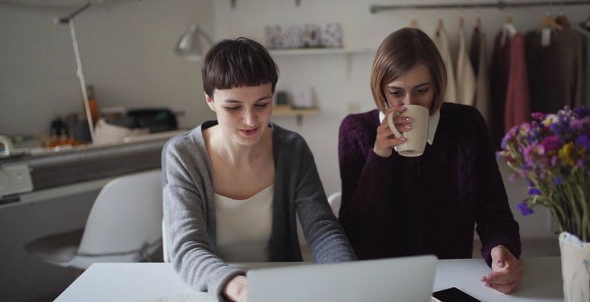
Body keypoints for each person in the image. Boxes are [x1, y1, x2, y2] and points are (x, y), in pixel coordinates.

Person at [162, 37, 356, 302]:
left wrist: (348, 279)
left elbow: (322, 229)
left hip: (281, 288)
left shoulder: (292, 149)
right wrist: (240, 287)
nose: (251, 120)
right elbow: (187, 246)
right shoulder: (184, 155)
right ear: (210, 100)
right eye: (233, 107)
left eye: (262, 104)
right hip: (212, 291)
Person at [337, 27, 523, 294]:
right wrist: (380, 155)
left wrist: (502, 251)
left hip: (451, 282)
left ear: (438, 86)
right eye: (396, 92)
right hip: (376, 283)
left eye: (421, 90)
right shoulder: (356, 131)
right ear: (380, 89)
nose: (410, 103)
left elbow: (494, 213)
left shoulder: (467, 124)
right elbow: (356, 236)